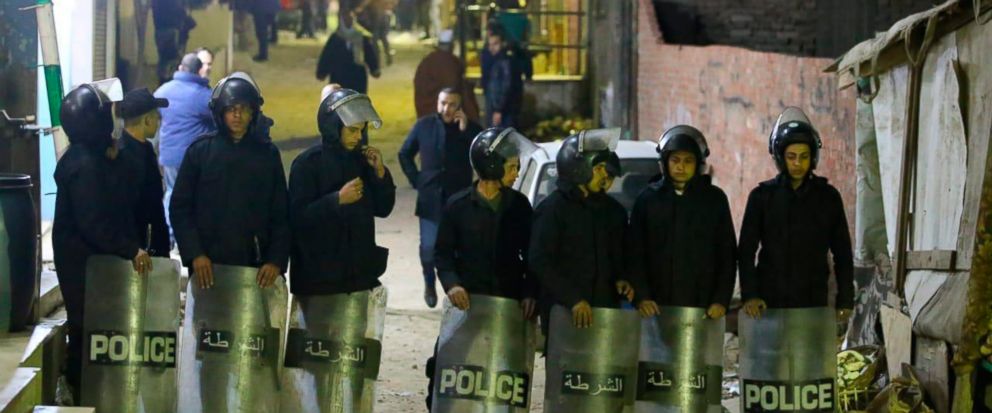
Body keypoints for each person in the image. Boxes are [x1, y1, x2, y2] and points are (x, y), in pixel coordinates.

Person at [423, 127, 538, 409]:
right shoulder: (457, 206)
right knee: (450, 366)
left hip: (509, 305)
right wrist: (452, 284)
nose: (516, 174)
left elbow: (533, 255)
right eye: (512, 167)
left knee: (506, 373)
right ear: (492, 166)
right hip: (467, 306)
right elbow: (443, 253)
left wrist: (529, 292)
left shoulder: (520, 207)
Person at [53, 84, 153, 401]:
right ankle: (77, 389)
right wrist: (130, 249)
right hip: (83, 265)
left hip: (92, 265)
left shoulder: (92, 154)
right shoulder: (83, 166)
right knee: (85, 327)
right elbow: (93, 222)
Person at [169, 72, 290, 292]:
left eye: (244, 109)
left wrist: (275, 260)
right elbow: (180, 207)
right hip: (209, 266)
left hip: (254, 265)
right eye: (232, 109)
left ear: (253, 113)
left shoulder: (267, 155)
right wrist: (195, 253)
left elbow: (280, 211)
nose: (238, 115)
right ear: (220, 112)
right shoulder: (200, 151)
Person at [738, 107, 854, 324]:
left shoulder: (828, 198)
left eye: (804, 157)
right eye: (791, 157)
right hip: (768, 302)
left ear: (813, 157)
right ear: (781, 157)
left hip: (813, 300)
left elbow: (843, 253)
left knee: (809, 357)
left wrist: (846, 299)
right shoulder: (762, 197)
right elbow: (746, 251)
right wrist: (750, 295)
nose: (798, 163)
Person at [288, 88, 394, 297]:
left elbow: (383, 209)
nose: (358, 137)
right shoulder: (307, 164)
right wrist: (336, 200)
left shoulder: (363, 161)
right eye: (352, 130)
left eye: (361, 130)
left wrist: (380, 174)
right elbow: (297, 219)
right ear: (334, 127)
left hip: (358, 276)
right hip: (319, 279)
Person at [626, 125, 736, 320]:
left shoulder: (714, 200)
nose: (681, 167)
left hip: (704, 306)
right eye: (675, 160)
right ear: (665, 163)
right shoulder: (648, 200)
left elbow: (726, 253)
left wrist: (721, 300)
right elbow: (634, 254)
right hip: (656, 307)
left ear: (698, 164)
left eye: (688, 161)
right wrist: (642, 297)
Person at [530, 128, 634, 332]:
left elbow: (623, 255)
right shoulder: (553, 209)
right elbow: (539, 261)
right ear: (578, 168)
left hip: (605, 317)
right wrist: (573, 299)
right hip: (563, 315)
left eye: (609, 173)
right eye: (599, 169)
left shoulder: (614, 212)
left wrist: (623, 278)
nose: (606, 178)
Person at [398, 88, 483, 307]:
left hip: (459, 200)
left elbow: (483, 155)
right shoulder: (424, 126)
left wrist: (466, 132)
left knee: (459, 249)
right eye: (443, 103)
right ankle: (429, 283)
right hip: (430, 199)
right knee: (428, 248)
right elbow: (405, 153)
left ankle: (457, 289)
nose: (447, 109)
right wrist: (417, 180)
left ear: (459, 106)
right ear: (438, 103)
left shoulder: (470, 129)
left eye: (452, 104)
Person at [155, 53, 215, 245]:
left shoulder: (164, 90)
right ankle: (188, 238)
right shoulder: (201, 94)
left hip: (169, 155)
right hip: (193, 157)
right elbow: (218, 115)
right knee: (194, 197)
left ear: (181, 68)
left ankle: (170, 235)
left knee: (171, 193)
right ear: (199, 70)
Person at [117, 88, 172, 257]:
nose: (159, 121)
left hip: (148, 247)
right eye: (156, 116)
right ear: (147, 120)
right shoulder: (122, 155)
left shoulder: (145, 148)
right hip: (135, 252)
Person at [413, 30, 481, 122]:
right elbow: (455, 87)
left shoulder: (427, 61)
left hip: (425, 112)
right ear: (451, 46)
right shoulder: (452, 63)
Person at [316, 11, 381, 94]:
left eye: (350, 19)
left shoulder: (361, 36)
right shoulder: (336, 37)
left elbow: (369, 53)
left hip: (357, 75)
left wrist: (374, 69)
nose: (348, 21)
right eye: (345, 19)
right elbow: (327, 56)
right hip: (339, 75)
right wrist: (322, 72)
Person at [482, 27, 526, 128]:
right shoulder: (495, 61)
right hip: (499, 109)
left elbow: (506, 86)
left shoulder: (505, 62)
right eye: (490, 44)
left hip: (503, 112)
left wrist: (498, 109)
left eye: (495, 44)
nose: (491, 48)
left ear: (502, 44)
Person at [151, 0, 191, 84]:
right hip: (171, 31)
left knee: (166, 61)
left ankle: (165, 84)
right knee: (172, 61)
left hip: (163, 30)